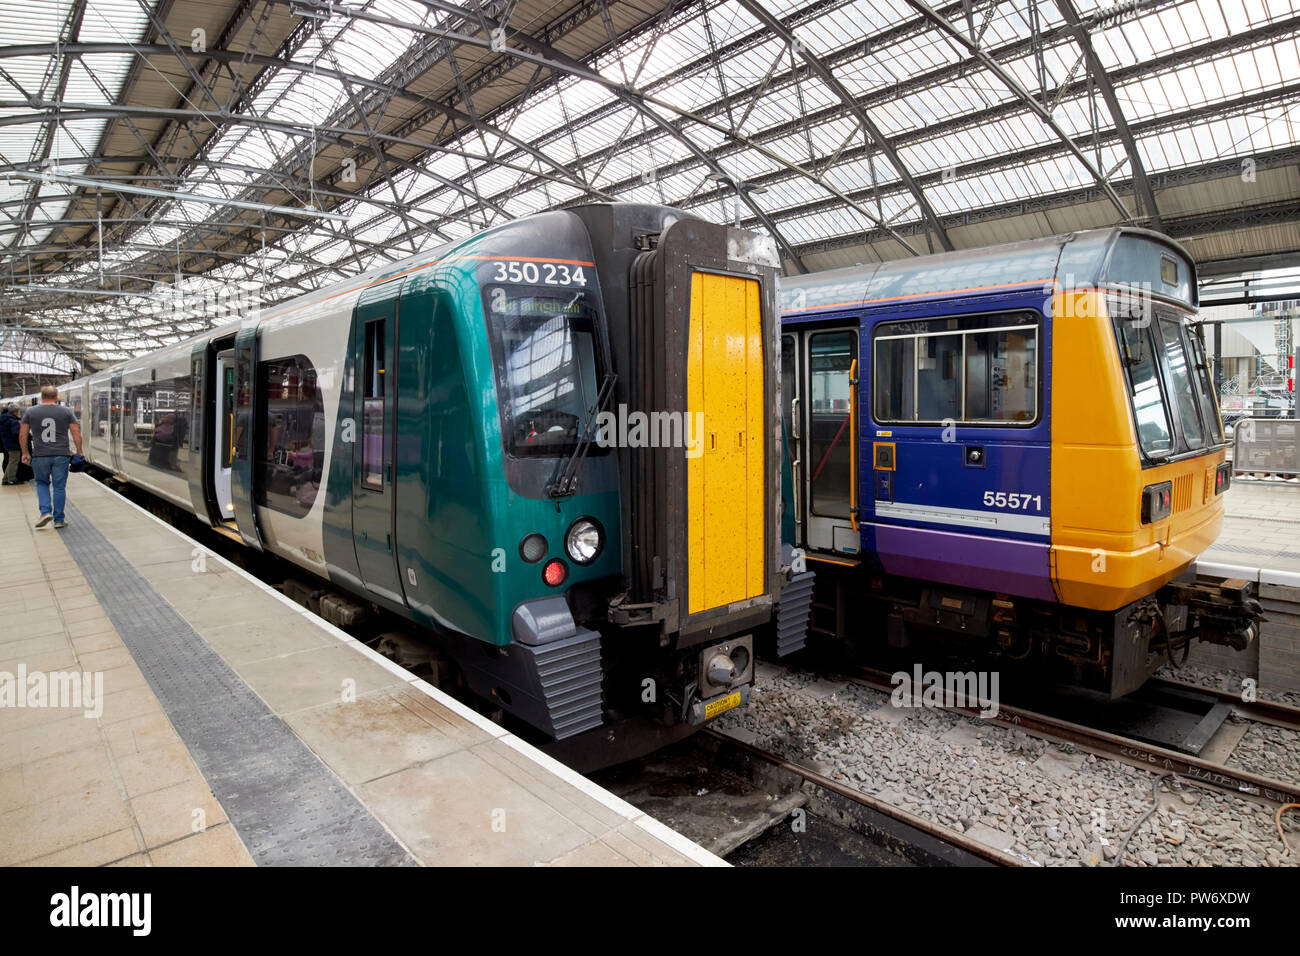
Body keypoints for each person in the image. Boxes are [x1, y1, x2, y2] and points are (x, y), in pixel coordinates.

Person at [19, 386, 83, 529]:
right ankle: (59, 520)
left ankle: (45, 512)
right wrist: (79, 451)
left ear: (42, 396)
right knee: (59, 487)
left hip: (40, 455)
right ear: (56, 396)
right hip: (61, 455)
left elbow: (23, 434)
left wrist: (25, 453)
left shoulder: (31, 412)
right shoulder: (66, 411)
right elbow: (76, 432)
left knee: (41, 483)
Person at [1, 404, 21, 485]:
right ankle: (12, 479)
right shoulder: (13, 421)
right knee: (14, 461)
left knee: (11, 461)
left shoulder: (4, 419)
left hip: (7, 442)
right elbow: (16, 433)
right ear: (15, 412)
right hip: (14, 444)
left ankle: (5, 479)